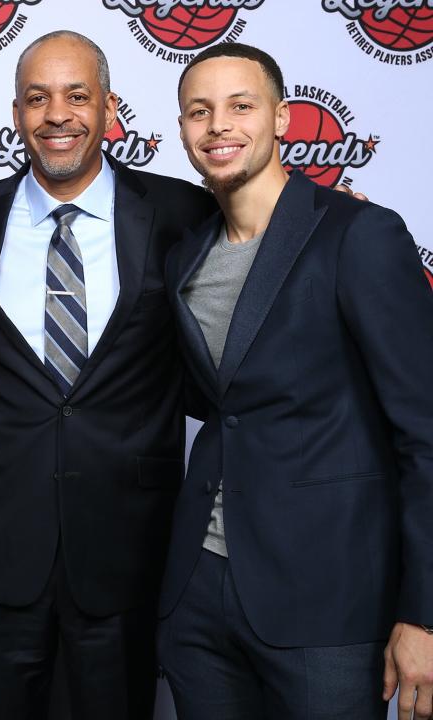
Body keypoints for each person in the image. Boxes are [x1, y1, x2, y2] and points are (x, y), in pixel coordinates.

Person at [0, 31, 217, 719]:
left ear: (110, 108)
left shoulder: (180, 215)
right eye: (38, 98)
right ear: (18, 113)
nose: (58, 114)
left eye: (77, 95)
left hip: (127, 539)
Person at [156, 42, 433, 720]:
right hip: (200, 594)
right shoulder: (186, 256)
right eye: (199, 111)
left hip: (327, 598)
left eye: (240, 106)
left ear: (282, 119)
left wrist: (424, 613)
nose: (218, 125)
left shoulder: (359, 234)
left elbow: (425, 434)